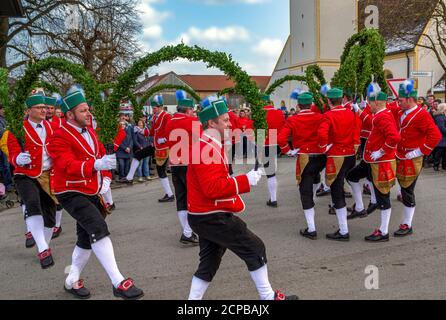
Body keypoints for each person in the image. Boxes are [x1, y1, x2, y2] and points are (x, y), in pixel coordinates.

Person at [186, 96, 298, 300]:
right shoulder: (205, 148)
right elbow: (212, 188)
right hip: (211, 216)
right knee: (255, 248)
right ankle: (268, 297)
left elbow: (216, 180)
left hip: (205, 215)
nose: (230, 124)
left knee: (208, 264)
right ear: (211, 123)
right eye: (225, 120)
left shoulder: (210, 144)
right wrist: (244, 181)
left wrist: (240, 180)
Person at [47, 90, 144, 300]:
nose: (88, 113)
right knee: (98, 228)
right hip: (70, 191)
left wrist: (106, 176)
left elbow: (101, 154)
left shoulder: (89, 130)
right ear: (70, 115)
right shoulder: (58, 135)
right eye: (83, 111)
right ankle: (118, 282)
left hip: (91, 189)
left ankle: (71, 280)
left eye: (88, 109)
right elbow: (66, 164)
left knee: (85, 237)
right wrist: (95, 165)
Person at [7, 94, 57, 268]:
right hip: (25, 174)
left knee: (51, 213)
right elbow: (12, 152)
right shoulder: (18, 128)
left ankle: (44, 243)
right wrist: (17, 158)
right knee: (32, 204)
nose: (44, 110)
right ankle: (43, 248)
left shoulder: (51, 127)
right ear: (28, 111)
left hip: (48, 174)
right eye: (39, 107)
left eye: (44, 107)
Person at [394, 82, 441, 237]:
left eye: (400, 100)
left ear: (409, 99)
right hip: (400, 155)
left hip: (412, 158)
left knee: (408, 191)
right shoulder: (402, 112)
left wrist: (419, 151)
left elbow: (436, 135)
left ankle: (407, 224)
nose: (398, 102)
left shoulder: (422, 114)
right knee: (403, 188)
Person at [278, 92, 325, 239]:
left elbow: (280, 138)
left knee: (305, 191)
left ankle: (311, 228)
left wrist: (288, 151)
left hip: (304, 157)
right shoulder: (320, 117)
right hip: (321, 156)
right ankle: (314, 198)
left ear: (298, 106)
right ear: (311, 104)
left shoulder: (293, 119)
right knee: (315, 177)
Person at [360, 91, 401, 242]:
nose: (368, 105)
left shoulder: (382, 116)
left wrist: (381, 151)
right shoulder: (382, 114)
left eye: (369, 102)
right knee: (381, 195)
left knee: (383, 197)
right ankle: (382, 229)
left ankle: (383, 231)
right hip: (380, 161)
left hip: (382, 162)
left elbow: (394, 137)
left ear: (376, 103)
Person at [318, 88, 356, 241]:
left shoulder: (328, 115)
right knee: (341, 186)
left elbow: (322, 134)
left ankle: (343, 230)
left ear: (328, 101)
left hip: (336, 156)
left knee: (336, 191)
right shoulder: (351, 113)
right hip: (350, 155)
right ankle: (354, 211)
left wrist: (324, 147)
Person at [164, 91, 201, 245]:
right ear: (187, 110)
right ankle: (190, 231)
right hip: (189, 163)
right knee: (194, 196)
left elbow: (167, 139)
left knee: (181, 198)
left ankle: (187, 231)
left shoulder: (169, 122)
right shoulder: (192, 121)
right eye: (192, 109)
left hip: (175, 164)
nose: (193, 112)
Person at [44, 96, 64, 238]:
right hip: (42, 168)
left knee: (58, 198)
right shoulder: (37, 123)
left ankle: (57, 225)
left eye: (52, 108)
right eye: (47, 108)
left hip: (56, 166)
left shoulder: (60, 124)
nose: (49, 111)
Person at [261, 94, 286, 208]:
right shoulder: (279, 112)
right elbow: (282, 127)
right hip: (276, 141)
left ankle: (273, 199)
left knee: (270, 174)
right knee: (273, 166)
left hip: (266, 142)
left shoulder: (259, 114)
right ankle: (273, 198)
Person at [149, 95, 175, 202]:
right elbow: (153, 131)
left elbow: (171, 130)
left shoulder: (167, 116)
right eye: (153, 108)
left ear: (161, 107)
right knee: (161, 171)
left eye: (155, 108)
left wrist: (164, 139)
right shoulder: (155, 117)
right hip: (158, 147)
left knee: (161, 170)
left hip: (165, 147)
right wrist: (143, 131)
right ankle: (169, 193)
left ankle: (170, 194)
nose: (153, 110)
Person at [432, 103, 446, 171]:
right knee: (439, 152)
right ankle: (436, 165)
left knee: (444, 153)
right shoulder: (439, 117)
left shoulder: (443, 116)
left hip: (444, 137)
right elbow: (441, 127)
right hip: (442, 137)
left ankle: (444, 165)